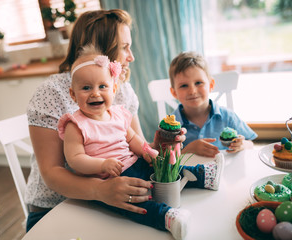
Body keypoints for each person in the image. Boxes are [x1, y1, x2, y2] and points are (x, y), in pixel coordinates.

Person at [25, 9, 186, 232]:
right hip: (55, 209)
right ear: (100, 50)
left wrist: (160, 144)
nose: (131, 57)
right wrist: (100, 190)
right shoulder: (52, 92)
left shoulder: (122, 90)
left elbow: (135, 149)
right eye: (124, 47)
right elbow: (52, 173)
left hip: (109, 203)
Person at [57, 47, 224, 240]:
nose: (95, 93)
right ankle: (167, 218)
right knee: (135, 203)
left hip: (136, 163)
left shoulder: (118, 114)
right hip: (111, 180)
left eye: (102, 86)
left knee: (167, 170)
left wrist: (148, 152)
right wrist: (102, 164)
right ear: (73, 94)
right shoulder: (75, 124)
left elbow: (133, 139)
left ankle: (204, 176)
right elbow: (75, 159)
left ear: (113, 89)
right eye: (86, 88)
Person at [169, 51, 257, 158]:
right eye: (184, 85)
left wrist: (242, 145)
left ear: (211, 85)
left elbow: (251, 144)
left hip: (226, 172)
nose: (192, 91)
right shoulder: (171, 127)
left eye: (198, 83)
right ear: (174, 92)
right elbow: (166, 160)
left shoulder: (228, 116)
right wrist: (189, 150)